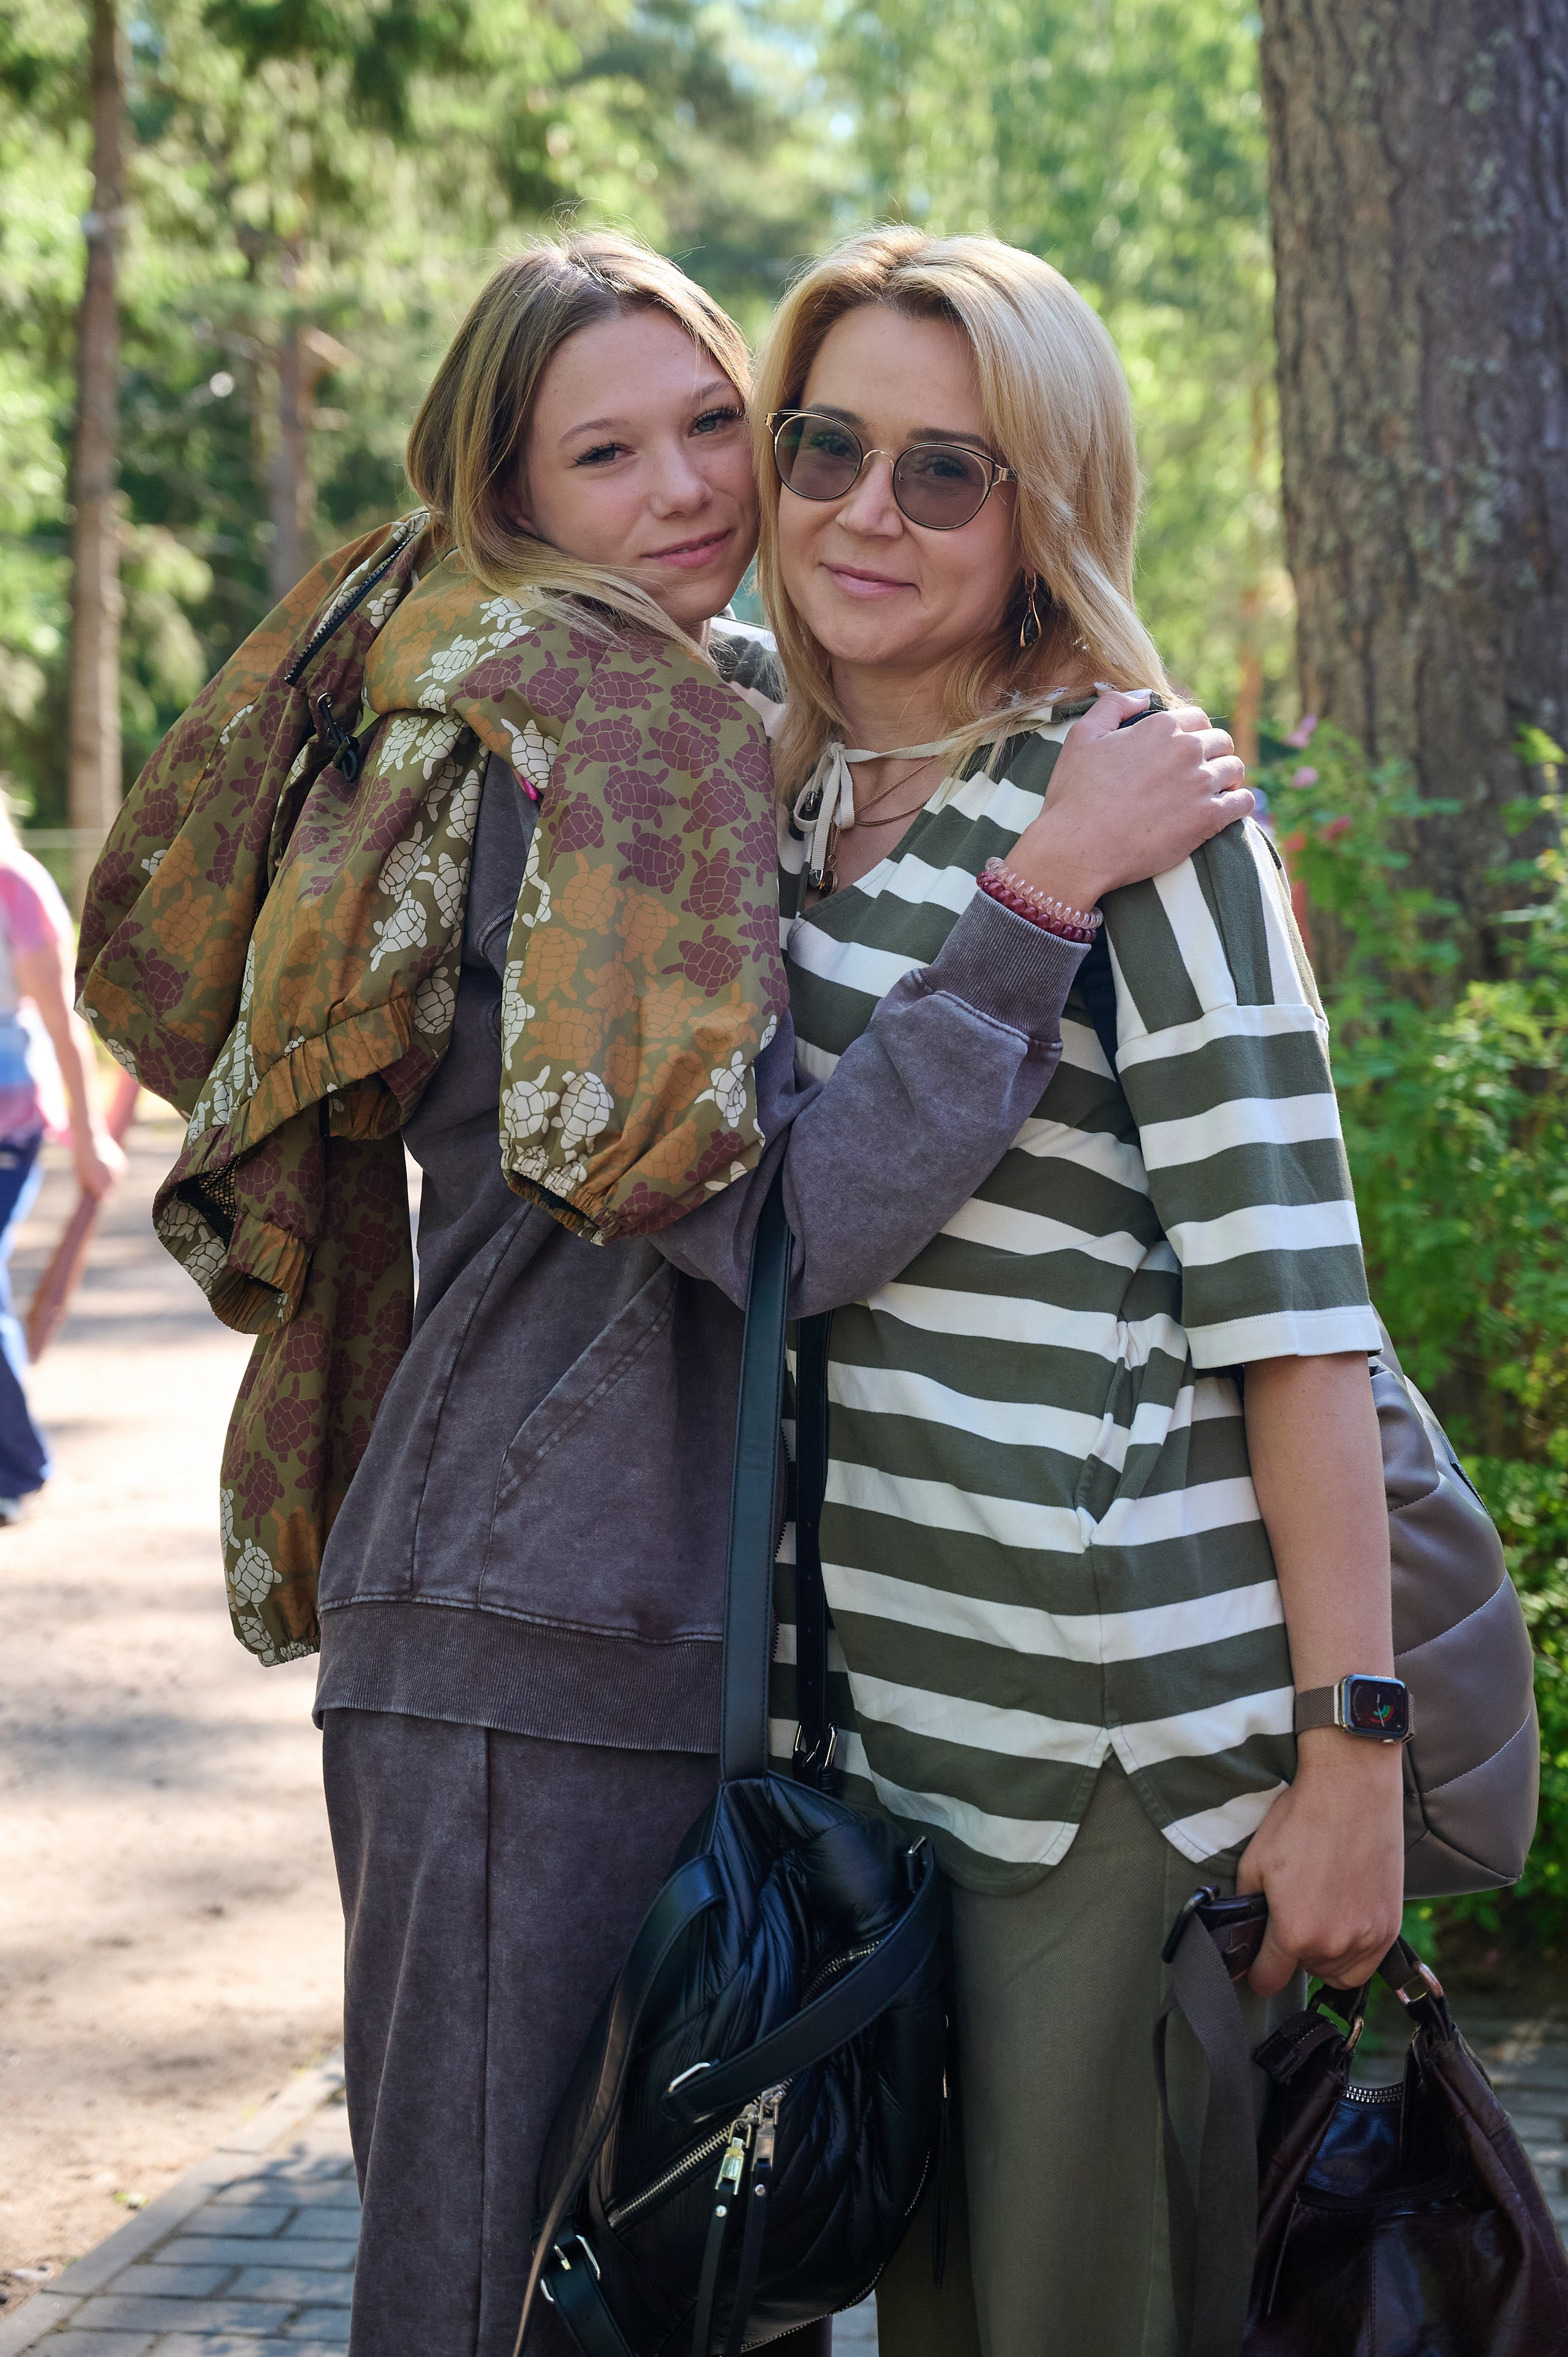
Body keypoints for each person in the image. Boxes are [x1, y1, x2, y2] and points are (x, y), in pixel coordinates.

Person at [78, 232, 1251, 2356]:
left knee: (702, 2285)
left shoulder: (692, 724)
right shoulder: (606, 738)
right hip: (537, 1633)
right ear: (514, 502)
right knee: (491, 2280)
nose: (696, 489)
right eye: (607, 454)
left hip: (619, 1623)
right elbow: (772, 1224)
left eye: (719, 419)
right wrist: (1043, 894)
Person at [752, 225, 1404, 2357]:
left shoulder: (1138, 810)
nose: (868, 507)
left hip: (1109, 1752)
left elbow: (1296, 1308)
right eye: (828, 441)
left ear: (1046, 509)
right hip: (887, 1751)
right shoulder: (769, 798)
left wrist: (1351, 1759)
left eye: (947, 470)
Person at [0, 807, 124, 1520]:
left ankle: (18, 1467)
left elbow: (61, 1026)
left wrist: (89, 1139)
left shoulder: (16, 885)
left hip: (9, 1127)